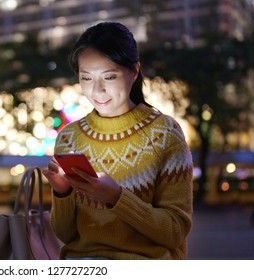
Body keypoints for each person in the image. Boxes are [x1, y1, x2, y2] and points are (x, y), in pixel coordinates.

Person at [42, 22, 193, 260]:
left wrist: (116, 198)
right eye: (87, 78)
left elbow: (174, 231)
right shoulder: (70, 138)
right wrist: (63, 193)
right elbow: (66, 235)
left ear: (134, 71)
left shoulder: (165, 134)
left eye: (109, 76)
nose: (97, 90)